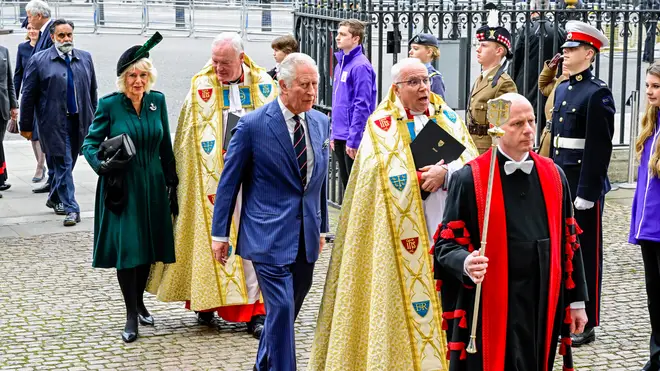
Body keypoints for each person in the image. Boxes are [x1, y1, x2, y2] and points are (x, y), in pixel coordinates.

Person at [309, 58, 478, 370]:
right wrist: (415, 179)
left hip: (445, 222)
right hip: (398, 238)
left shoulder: (448, 118)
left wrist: (447, 173)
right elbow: (374, 179)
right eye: (413, 82)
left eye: (425, 80)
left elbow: (472, 164)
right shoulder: (380, 126)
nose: (423, 88)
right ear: (397, 89)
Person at [435, 92, 589, 371]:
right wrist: (466, 262)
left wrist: (577, 301)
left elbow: (570, 242)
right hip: (493, 304)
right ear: (496, 128)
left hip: (541, 299)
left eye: (531, 121)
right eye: (517, 124)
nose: (529, 130)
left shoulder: (554, 175)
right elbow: (445, 247)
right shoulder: (470, 179)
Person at [147, 32, 277, 338]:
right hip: (211, 180)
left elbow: (275, 129)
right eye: (215, 61)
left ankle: (256, 311)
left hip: (253, 180)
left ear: (242, 59)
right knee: (210, 240)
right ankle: (207, 301)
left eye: (225, 63)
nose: (217, 68)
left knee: (252, 242)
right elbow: (187, 139)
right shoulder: (200, 85)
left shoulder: (264, 86)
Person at [211, 53, 329, 371]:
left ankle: (262, 365)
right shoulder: (252, 126)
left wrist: (321, 228)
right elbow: (228, 183)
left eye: (315, 84)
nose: (312, 92)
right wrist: (219, 234)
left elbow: (318, 183)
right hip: (266, 236)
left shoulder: (320, 122)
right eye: (304, 85)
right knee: (280, 308)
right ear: (283, 86)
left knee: (285, 315)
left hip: (305, 238)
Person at [81, 33, 177, 343]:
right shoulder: (110, 105)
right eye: (132, 75)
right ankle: (129, 315)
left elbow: (165, 144)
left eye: (143, 75)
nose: (138, 81)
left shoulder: (157, 100)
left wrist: (172, 182)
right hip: (122, 186)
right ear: (123, 78)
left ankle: (140, 301)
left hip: (152, 183)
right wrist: (101, 167)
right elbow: (89, 144)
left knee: (148, 248)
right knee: (128, 251)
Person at [550, 20, 615, 347]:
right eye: (565, 48)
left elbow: (599, 148)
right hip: (562, 180)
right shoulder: (563, 88)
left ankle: (587, 322)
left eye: (571, 49)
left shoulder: (597, 93)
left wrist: (587, 193)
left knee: (585, 253)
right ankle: (565, 311)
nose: (565, 53)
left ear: (589, 53)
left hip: (582, 186)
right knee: (562, 250)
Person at [19, 19, 98, 226]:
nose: (66, 39)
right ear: (53, 37)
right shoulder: (39, 61)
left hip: (79, 122)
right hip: (53, 123)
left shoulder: (85, 58)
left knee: (67, 164)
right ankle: (72, 208)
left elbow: (92, 92)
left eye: (69, 35)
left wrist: (97, 121)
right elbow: (28, 96)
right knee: (64, 163)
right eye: (61, 35)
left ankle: (54, 197)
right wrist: (25, 126)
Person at [629, 61, 660, 371]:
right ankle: (657, 356)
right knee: (654, 297)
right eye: (648, 86)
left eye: (656, 86)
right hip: (650, 225)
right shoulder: (651, 124)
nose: (649, 92)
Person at [331, 18, 377, 188]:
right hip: (340, 134)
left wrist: (354, 139)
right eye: (338, 34)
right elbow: (337, 102)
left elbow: (362, 104)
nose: (338, 37)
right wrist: (333, 133)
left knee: (354, 188)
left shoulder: (360, 66)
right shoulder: (341, 64)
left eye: (343, 34)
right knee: (346, 186)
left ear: (356, 38)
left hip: (351, 136)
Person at [467, 5, 518, 154]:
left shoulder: (503, 83)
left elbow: (506, 127)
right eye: (478, 45)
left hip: (489, 151)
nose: (478, 49)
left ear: (499, 50)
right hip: (474, 147)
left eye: (483, 45)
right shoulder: (482, 78)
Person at [512, 6, 566, 123]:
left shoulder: (525, 29)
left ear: (531, 11)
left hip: (526, 81)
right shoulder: (558, 29)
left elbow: (515, 58)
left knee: (526, 121)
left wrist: (513, 78)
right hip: (551, 82)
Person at [25, 0, 57, 198]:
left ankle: (58, 191)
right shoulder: (44, 33)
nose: (27, 20)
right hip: (42, 100)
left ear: (38, 16)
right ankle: (52, 181)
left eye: (29, 16)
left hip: (50, 100)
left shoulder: (53, 31)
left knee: (54, 148)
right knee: (47, 145)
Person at [15, 21, 46, 183]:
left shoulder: (45, 46)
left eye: (35, 28)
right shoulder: (23, 48)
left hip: (43, 96)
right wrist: (14, 100)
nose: (32, 31)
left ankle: (41, 166)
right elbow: (18, 73)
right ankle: (40, 165)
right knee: (32, 135)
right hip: (29, 97)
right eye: (29, 29)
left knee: (41, 133)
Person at [537, 52, 569, 157]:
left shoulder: (585, 88)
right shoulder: (562, 80)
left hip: (560, 147)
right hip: (547, 142)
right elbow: (543, 86)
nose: (564, 62)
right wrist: (551, 68)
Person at [0, 44, 18, 198]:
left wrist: (14, 104)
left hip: (2, 105)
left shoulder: (3, 50)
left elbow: (9, 80)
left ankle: (1, 177)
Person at [408, 33, 446, 99]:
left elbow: (439, 105)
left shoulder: (434, 77)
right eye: (411, 48)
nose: (410, 52)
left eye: (416, 49)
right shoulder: (406, 72)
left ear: (429, 52)